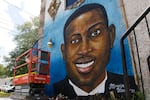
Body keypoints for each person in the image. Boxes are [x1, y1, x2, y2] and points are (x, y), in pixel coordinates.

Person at [54, 3, 137, 99]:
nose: (84, 50)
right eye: (75, 41)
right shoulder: (56, 90)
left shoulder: (128, 84)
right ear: (64, 52)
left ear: (111, 36)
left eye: (95, 33)